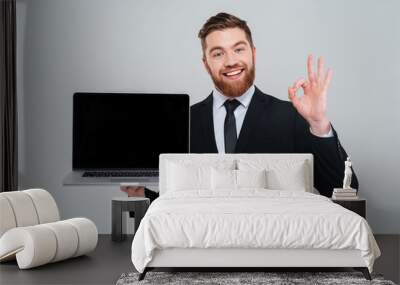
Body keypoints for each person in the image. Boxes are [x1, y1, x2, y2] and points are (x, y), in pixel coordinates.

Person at [122, 12, 358, 202]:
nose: (231, 61)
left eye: (239, 49)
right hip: (204, 255)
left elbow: (343, 190)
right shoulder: (185, 122)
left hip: (274, 253)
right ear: (206, 64)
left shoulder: (291, 116)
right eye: (218, 53)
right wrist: (143, 196)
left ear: (253, 54)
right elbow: (180, 203)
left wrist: (318, 123)